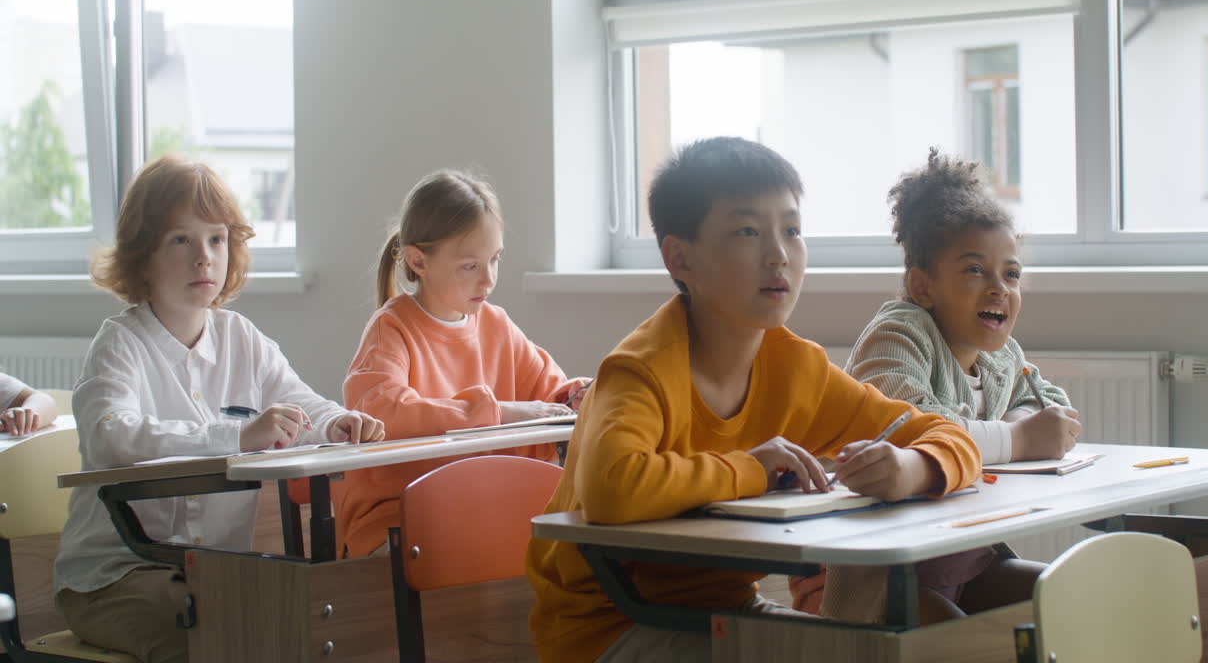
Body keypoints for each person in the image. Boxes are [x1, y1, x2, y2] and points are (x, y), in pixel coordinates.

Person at [526, 137, 982, 662]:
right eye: (747, 231)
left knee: (905, 650)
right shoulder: (640, 371)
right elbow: (612, 488)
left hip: (724, 615)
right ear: (680, 257)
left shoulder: (796, 368)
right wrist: (754, 468)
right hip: (609, 628)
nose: (779, 254)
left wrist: (914, 466)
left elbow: (945, 434)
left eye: (791, 230)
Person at [52, 156, 386, 663]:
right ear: (142, 256)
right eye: (180, 240)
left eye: (216, 239)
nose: (204, 258)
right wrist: (236, 436)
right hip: (113, 577)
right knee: (215, 628)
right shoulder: (119, 343)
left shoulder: (242, 338)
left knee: (312, 618)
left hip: (213, 573)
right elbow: (112, 436)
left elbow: (299, 402)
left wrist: (336, 422)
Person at [790, 148, 1080, 618]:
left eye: (1011, 274)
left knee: (1067, 602)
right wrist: (1019, 437)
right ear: (924, 286)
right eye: (974, 270)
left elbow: (1048, 403)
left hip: (962, 559)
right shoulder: (899, 333)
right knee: (957, 636)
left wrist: (1028, 422)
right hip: (877, 573)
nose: (998, 288)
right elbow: (908, 424)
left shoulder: (1002, 355)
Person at [337, 169, 589, 558]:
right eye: (470, 266)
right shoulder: (392, 328)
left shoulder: (496, 324)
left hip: (485, 503)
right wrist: (499, 412)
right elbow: (381, 413)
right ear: (418, 261)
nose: (488, 280)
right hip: (399, 516)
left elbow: (547, 393)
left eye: (495, 259)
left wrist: (576, 396)